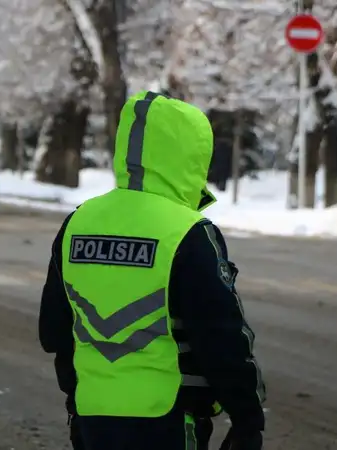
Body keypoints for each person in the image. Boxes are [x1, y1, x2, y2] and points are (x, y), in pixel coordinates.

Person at [38, 91, 266, 450]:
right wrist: (247, 419)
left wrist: (76, 401)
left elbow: (55, 330)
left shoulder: (78, 222)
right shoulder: (187, 232)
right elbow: (221, 336)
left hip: (94, 416)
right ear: (191, 156)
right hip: (170, 419)